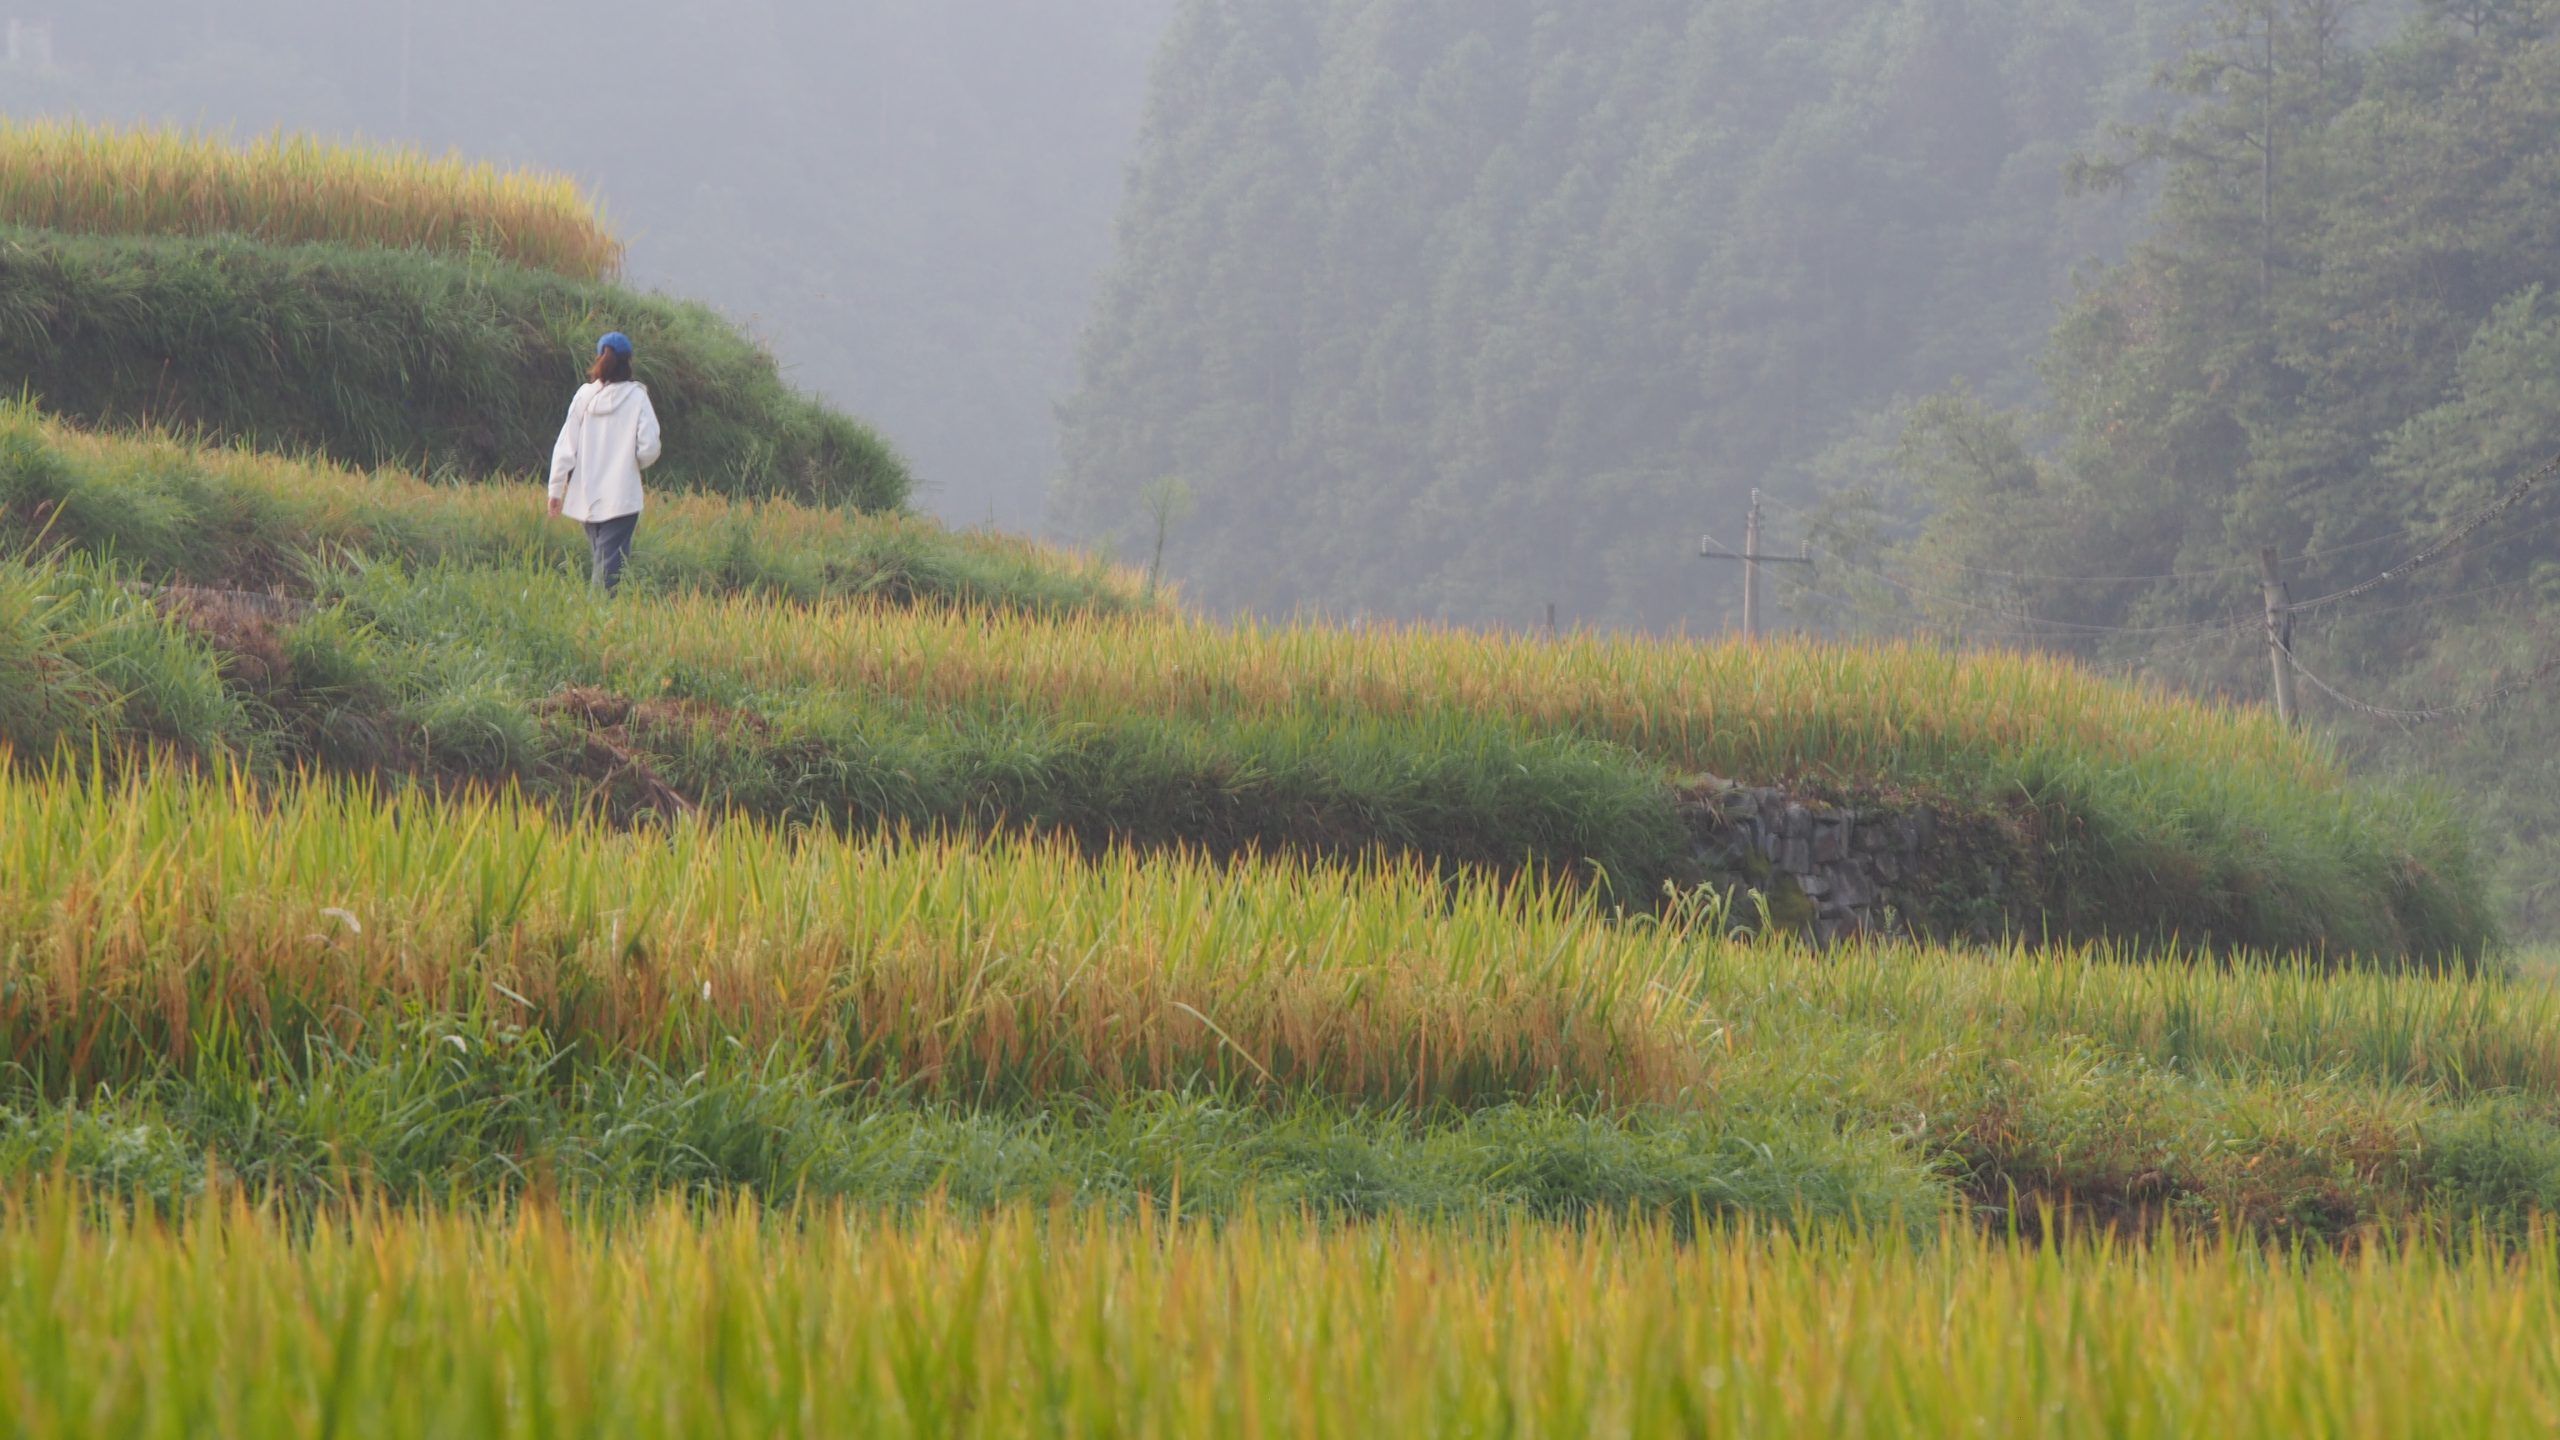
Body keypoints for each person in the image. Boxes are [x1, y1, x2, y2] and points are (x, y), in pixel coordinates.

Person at [548, 331, 663, 593]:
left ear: (600, 358)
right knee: (608, 575)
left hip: (587, 498)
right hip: (622, 499)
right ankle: (596, 614)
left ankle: (596, 612)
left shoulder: (584, 396)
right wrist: (631, 465)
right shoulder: (637, 397)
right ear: (628, 361)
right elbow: (649, 447)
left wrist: (555, 490)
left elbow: (565, 447)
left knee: (602, 562)